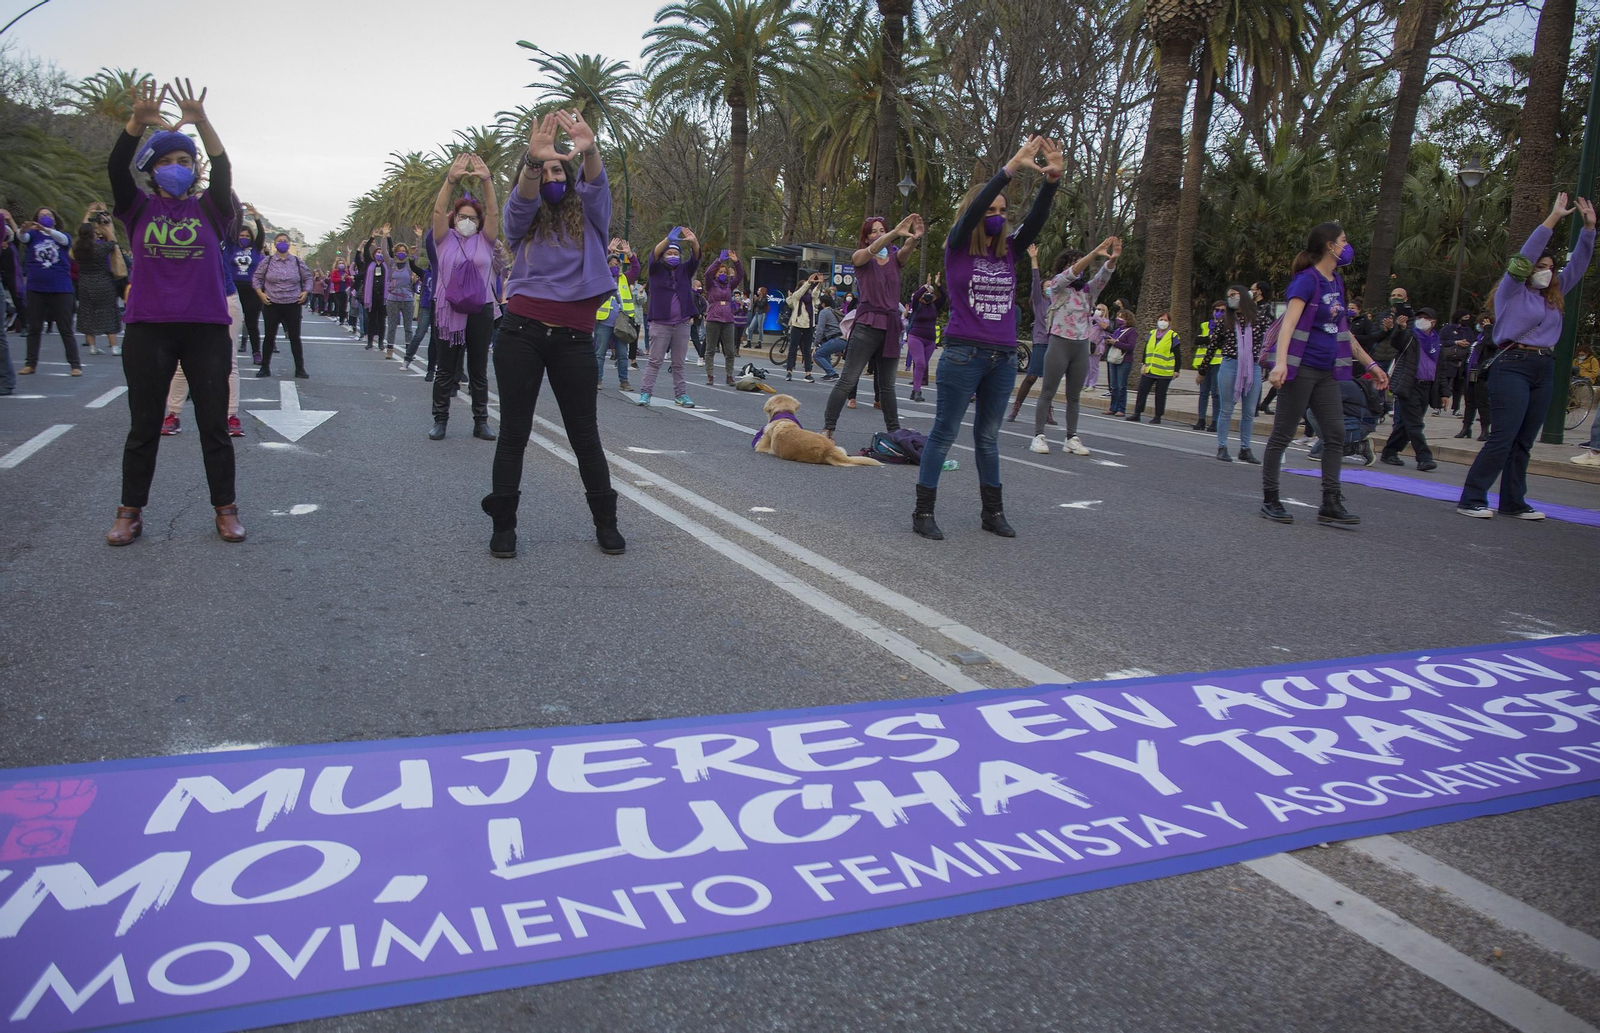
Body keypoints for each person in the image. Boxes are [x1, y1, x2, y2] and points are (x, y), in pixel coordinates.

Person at [106, 78, 245, 546]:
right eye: (165, 161)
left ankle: (225, 511)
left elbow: (223, 167)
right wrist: (135, 124)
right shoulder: (136, 209)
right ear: (151, 170)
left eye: (184, 161)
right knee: (143, 426)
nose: (175, 168)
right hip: (149, 329)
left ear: (194, 169)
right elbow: (114, 168)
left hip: (205, 330)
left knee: (214, 427)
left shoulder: (213, 209)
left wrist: (202, 122)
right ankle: (130, 511)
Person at [482, 109, 624, 558]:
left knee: (585, 435)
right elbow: (517, 210)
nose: (551, 176)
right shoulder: (522, 216)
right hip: (520, 332)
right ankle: (503, 528)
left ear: (571, 174)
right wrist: (532, 159)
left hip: (574, 339)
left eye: (557, 168)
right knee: (514, 433)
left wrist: (591, 149)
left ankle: (606, 522)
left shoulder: (591, 215)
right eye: (544, 172)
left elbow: (598, 185)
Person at [914, 134, 1062, 540]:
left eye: (1003, 210)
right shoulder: (957, 246)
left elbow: (1037, 219)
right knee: (944, 433)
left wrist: (1051, 181)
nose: (996, 215)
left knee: (988, 438)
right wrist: (1010, 168)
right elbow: (976, 209)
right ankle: (923, 512)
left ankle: (992, 512)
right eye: (990, 210)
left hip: (1002, 356)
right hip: (963, 353)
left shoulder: (1011, 251)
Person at [1460, 193, 1595, 517]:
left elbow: (1579, 263)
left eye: (1551, 267)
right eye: (1542, 267)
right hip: (1512, 366)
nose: (1547, 272)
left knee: (1524, 441)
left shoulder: (1554, 296)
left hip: (1544, 368)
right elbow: (1524, 257)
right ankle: (1473, 498)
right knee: (1503, 437)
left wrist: (1589, 230)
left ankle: (1513, 501)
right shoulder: (1512, 290)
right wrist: (1553, 219)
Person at [1259, 221, 1389, 526]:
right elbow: (1288, 323)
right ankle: (1271, 498)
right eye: (1343, 240)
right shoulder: (1306, 281)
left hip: (1327, 371)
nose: (1347, 246)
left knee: (1335, 434)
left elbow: (1343, 331)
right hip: (1301, 369)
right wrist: (1281, 363)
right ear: (1330, 245)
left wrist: (1371, 365)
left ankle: (1330, 502)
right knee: (1282, 434)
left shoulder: (1336, 282)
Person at [823, 213, 924, 440]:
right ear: (867, 237)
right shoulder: (862, 258)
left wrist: (915, 237)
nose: (878, 234)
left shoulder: (895, 257)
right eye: (874, 231)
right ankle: (828, 428)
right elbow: (866, 253)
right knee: (848, 379)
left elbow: (906, 249)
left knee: (887, 386)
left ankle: (895, 434)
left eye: (882, 229)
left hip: (891, 326)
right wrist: (892, 233)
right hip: (867, 325)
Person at [429, 155, 499, 441]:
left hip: (480, 311)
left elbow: (494, 214)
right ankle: (440, 420)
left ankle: (480, 422)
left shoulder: (486, 239)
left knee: (478, 369)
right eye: (462, 217)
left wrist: (487, 181)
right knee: (445, 370)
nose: (467, 221)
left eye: (472, 217)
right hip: (449, 312)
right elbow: (436, 211)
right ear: (454, 219)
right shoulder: (443, 239)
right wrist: (450, 179)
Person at [1030, 236, 1119, 455]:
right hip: (1059, 342)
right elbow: (1071, 273)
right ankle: (1039, 436)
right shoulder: (1057, 286)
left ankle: (1071, 437)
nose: (1078, 267)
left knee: (1074, 395)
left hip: (1080, 345)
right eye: (1073, 262)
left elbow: (1103, 277)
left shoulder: (1087, 291)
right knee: (1048, 391)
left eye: (1079, 262)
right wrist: (1092, 254)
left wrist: (1112, 260)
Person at [639, 225, 701, 407]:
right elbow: (654, 254)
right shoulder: (655, 270)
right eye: (669, 253)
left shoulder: (684, 270)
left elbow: (696, 257)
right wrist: (667, 241)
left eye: (676, 253)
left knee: (679, 363)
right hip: (660, 323)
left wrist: (695, 242)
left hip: (681, 324)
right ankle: (645, 393)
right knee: (655, 361)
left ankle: (681, 395)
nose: (673, 256)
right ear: (663, 256)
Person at [16, 205, 82, 376]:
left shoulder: (61, 236)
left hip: (60, 289)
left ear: (54, 218)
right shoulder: (33, 236)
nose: (45, 217)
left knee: (65, 328)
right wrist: (22, 230)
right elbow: (22, 238)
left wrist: (46, 229)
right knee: (34, 328)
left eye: (48, 215)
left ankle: (75, 365)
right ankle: (30, 364)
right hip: (36, 288)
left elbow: (65, 241)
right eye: (41, 215)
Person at [1206, 284, 1267, 464]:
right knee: (1226, 409)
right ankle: (1222, 446)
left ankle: (1245, 449)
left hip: (1252, 366)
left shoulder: (1259, 318)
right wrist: (1203, 369)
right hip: (1230, 364)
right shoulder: (1226, 320)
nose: (1231, 298)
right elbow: (1213, 345)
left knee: (1249, 412)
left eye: (1234, 294)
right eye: (1229, 295)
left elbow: (1270, 340)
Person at [1378, 305, 1440, 471]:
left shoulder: (1436, 342)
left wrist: (1444, 392)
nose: (1422, 321)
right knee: (1415, 424)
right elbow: (1396, 342)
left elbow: (1440, 368)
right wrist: (1400, 328)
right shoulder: (1411, 336)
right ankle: (1424, 457)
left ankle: (1389, 451)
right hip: (1409, 385)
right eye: (1419, 317)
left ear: (1433, 322)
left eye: (1426, 318)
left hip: (1426, 387)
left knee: (1407, 424)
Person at [251, 231, 312, 378]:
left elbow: (308, 278)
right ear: (275, 244)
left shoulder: (297, 262)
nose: (282, 243)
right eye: (279, 241)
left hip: (293, 303)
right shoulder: (268, 261)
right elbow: (256, 278)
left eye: (285, 240)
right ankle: (265, 367)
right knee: (269, 336)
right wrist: (260, 294)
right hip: (272, 303)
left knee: (295, 337)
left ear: (289, 244)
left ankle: (300, 368)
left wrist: (305, 292)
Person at [1008, 243, 1054, 424]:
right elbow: (1036, 282)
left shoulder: (1059, 302)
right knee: (1032, 376)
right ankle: (1016, 408)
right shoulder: (1039, 302)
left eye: (1052, 286)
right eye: (1047, 287)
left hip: (1057, 343)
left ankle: (1048, 412)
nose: (1050, 289)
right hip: (1042, 342)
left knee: (1051, 381)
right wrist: (1034, 260)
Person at [74, 204, 123, 356]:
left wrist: (88, 214)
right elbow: (113, 241)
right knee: (108, 313)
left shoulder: (77, 249)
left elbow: (83, 230)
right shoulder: (100, 249)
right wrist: (105, 225)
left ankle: (92, 346)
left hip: (85, 284)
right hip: (103, 283)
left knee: (88, 313)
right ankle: (114, 346)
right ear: (92, 235)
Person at [594, 238, 640, 391]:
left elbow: (636, 269)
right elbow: (596, 263)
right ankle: (597, 380)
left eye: (617, 264)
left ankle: (624, 381)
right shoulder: (601, 276)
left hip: (622, 322)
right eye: (611, 264)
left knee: (622, 354)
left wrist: (630, 254)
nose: (614, 266)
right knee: (599, 353)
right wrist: (608, 250)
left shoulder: (624, 278)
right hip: (604, 321)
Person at [1125, 311, 1178, 423]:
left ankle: (1157, 417)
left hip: (1164, 371)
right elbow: (1146, 350)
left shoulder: (1173, 336)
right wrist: (1143, 364)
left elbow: (1178, 354)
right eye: (1161, 320)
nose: (1163, 322)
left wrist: (1176, 370)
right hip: (1149, 369)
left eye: (1165, 320)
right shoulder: (1152, 333)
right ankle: (1137, 413)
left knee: (1160, 394)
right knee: (1142, 391)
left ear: (1169, 322)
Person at [702, 248, 745, 385]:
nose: (722, 274)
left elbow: (740, 275)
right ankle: (710, 375)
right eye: (720, 272)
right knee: (710, 349)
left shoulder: (729, 286)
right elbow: (708, 273)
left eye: (725, 272)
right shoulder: (710, 284)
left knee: (730, 350)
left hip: (728, 319)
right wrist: (719, 260)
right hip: (713, 318)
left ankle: (729, 375)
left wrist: (736, 262)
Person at [229, 205, 265, 361]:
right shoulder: (231, 248)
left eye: (247, 235)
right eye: (241, 235)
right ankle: (227, 351)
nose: (244, 237)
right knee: (229, 322)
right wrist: (239, 216)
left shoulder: (255, 249)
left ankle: (256, 352)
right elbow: (228, 230)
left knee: (251, 323)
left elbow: (261, 234)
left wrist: (256, 217)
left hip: (251, 291)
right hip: (232, 289)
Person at [905, 274, 945, 402]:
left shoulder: (934, 306)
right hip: (916, 337)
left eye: (930, 292)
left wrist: (938, 285)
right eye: (926, 292)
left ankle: (914, 390)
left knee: (922, 365)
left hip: (930, 340)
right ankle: (917, 391)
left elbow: (944, 297)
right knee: (920, 363)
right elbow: (916, 296)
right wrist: (925, 286)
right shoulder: (917, 305)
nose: (928, 294)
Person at [1456, 312, 1496, 440]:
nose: (1480, 326)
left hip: (1482, 374)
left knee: (1482, 402)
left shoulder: (1492, 337)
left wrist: (1489, 328)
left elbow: (1491, 345)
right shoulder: (1479, 338)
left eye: (1482, 323)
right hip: (1471, 372)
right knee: (1470, 401)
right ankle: (1466, 427)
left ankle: (1485, 430)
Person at [783, 272, 825, 382]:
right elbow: (798, 293)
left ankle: (808, 373)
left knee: (807, 350)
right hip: (797, 325)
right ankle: (789, 371)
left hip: (809, 326)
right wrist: (808, 282)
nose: (806, 289)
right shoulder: (796, 298)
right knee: (793, 348)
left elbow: (816, 294)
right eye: (804, 286)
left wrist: (819, 284)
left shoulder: (811, 298)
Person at [404, 233, 436, 369]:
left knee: (438, 339)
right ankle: (408, 358)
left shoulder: (444, 273)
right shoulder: (425, 274)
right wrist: (412, 256)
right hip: (426, 307)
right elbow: (414, 268)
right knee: (419, 334)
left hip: (439, 308)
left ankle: (441, 366)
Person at [1192, 301, 1223, 430]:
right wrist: (1210, 338)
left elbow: (1222, 343)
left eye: (1222, 310)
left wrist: (1208, 339)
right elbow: (1197, 340)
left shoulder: (1228, 326)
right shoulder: (1205, 325)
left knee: (1216, 393)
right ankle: (1201, 420)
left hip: (1219, 363)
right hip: (1204, 363)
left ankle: (1215, 421)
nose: (1219, 313)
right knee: (1203, 392)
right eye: (1217, 310)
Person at [383, 240, 416, 357]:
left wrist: (418, 238)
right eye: (399, 251)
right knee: (391, 326)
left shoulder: (409, 265)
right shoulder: (392, 264)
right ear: (395, 253)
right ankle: (390, 349)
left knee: (408, 327)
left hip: (407, 298)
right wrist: (384, 236)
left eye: (404, 251)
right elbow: (384, 251)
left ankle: (409, 351)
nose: (401, 253)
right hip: (393, 299)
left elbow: (415, 252)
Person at [360, 229, 392, 350]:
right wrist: (372, 237)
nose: (379, 253)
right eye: (377, 252)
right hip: (371, 296)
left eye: (381, 252)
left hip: (383, 297)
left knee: (382, 320)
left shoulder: (387, 264)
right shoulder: (370, 263)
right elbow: (366, 250)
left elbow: (391, 251)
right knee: (371, 319)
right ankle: (369, 342)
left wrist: (388, 238)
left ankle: (380, 342)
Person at [1437, 310, 1473, 414]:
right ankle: (1438, 406)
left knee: (1458, 386)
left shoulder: (1468, 330)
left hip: (1462, 361)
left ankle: (1456, 408)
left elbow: (1472, 341)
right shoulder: (1448, 329)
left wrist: (1467, 344)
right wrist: (1456, 342)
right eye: (1465, 318)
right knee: (1445, 384)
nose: (1467, 320)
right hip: (1449, 360)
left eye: (1468, 318)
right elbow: (1440, 341)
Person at [1105, 307, 1135, 416]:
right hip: (1114, 359)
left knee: (1121, 385)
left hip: (1124, 360)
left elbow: (1131, 346)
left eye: (1122, 317)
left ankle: (1121, 408)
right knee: (1114, 385)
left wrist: (1115, 343)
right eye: (1118, 317)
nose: (1119, 319)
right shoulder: (1117, 330)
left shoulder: (1131, 331)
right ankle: (1113, 407)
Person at [812, 293, 845, 379]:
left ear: (823, 304)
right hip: (842, 338)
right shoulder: (833, 311)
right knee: (825, 354)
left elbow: (820, 330)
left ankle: (832, 373)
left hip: (835, 339)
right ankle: (829, 373)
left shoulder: (824, 312)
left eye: (820, 302)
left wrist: (816, 344)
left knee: (818, 355)